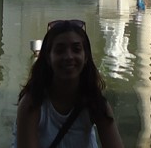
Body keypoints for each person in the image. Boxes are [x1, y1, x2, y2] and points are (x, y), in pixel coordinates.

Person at [15, 19, 124, 148]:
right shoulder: (31, 104)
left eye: (76, 49)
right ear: (48, 58)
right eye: (60, 51)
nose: (68, 56)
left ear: (86, 57)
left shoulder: (96, 103)